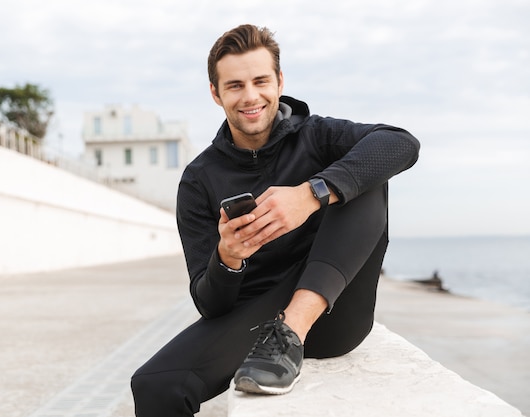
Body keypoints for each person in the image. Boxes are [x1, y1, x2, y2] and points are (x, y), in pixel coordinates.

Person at [131, 24, 420, 416]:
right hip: (258, 318)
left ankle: (292, 331)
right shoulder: (200, 180)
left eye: (260, 81)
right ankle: (281, 334)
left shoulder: (317, 136)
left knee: (365, 173)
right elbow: (209, 303)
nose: (250, 96)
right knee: (154, 384)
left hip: (333, 310)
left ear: (279, 82)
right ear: (216, 94)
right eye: (234, 86)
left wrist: (311, 193)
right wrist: (228, 259)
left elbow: (402, 143)